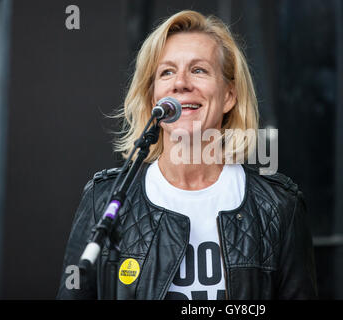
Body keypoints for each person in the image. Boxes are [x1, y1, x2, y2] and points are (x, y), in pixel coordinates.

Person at [57, 10, 317, 300]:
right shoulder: (104, 201)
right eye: (167, 72)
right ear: (153, 97)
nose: (180, 83)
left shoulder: (279, 206)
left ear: (229, 95)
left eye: (199, 70)